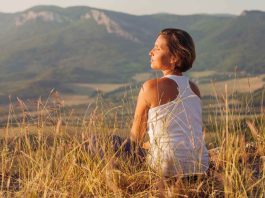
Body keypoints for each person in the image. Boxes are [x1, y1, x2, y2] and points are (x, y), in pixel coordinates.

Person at [130, 28, 209, 177]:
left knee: (108, 143)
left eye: (157, 48)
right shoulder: (194, 88)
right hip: (200, 165)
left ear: (174, 57)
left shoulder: (150, 87)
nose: (150, 52)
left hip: (165, 167)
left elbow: (136, 137)